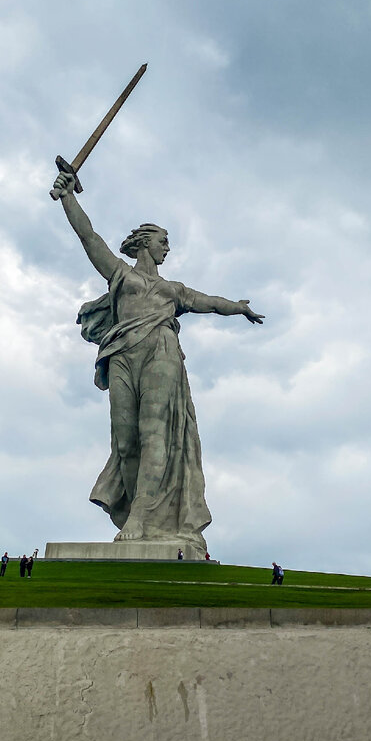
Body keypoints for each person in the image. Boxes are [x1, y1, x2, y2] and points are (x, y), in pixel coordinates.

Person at [52, 170, 264, 553]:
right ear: (145, 244)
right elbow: (89, 237)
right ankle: (136, 508)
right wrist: (68, 197)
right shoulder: (119, 275)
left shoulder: (172, 290)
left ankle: (141, 518)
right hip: (121, 354)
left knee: (155, 433)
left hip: (161, 351)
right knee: (125, 439)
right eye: (164, 241)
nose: (168, 248)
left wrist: (237, 308)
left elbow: (208, 302)